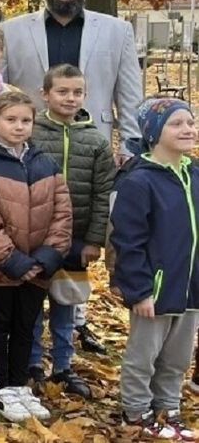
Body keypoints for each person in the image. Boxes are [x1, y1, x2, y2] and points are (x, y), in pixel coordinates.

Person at [0, 91, 72, 422]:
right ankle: (1, 386)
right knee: (0, 326)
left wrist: (44, 259)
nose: (19, 126)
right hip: (0, 267)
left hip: (38, 267)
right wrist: (15, 262)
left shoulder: (46, 163)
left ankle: (20, 383)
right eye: (11, 120)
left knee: (27, 325)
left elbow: (62, 216)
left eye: (26, 120)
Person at [113, 98, 199, 441]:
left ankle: (168, 408)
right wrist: (140, 289)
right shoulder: (139, 181)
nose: (188, 130)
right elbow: (128, 241)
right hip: (156, 288)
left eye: (190, 123)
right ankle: (135, 411)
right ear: (153, 132)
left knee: (177, 356)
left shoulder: (194, 175)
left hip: (190, 286)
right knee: (144, 354)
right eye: (176, 124)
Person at [27, 65, 114, 400]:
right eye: (62, 91)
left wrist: (94, 240)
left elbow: (102, 193)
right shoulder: (32, 132)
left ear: (85, 96)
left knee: (66, 305)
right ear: (45, 94)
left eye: (77, 92)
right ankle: (32, 362)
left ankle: (63, 365)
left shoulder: (94, 139)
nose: (70, 98)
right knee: (33, 303)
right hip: (35, 236)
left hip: (76, 238)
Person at [3, 0, 142, 147]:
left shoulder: (118, 31)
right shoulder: (10, 31)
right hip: (28, 143)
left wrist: (130, 149)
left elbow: (130, 98)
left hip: (93, 143)